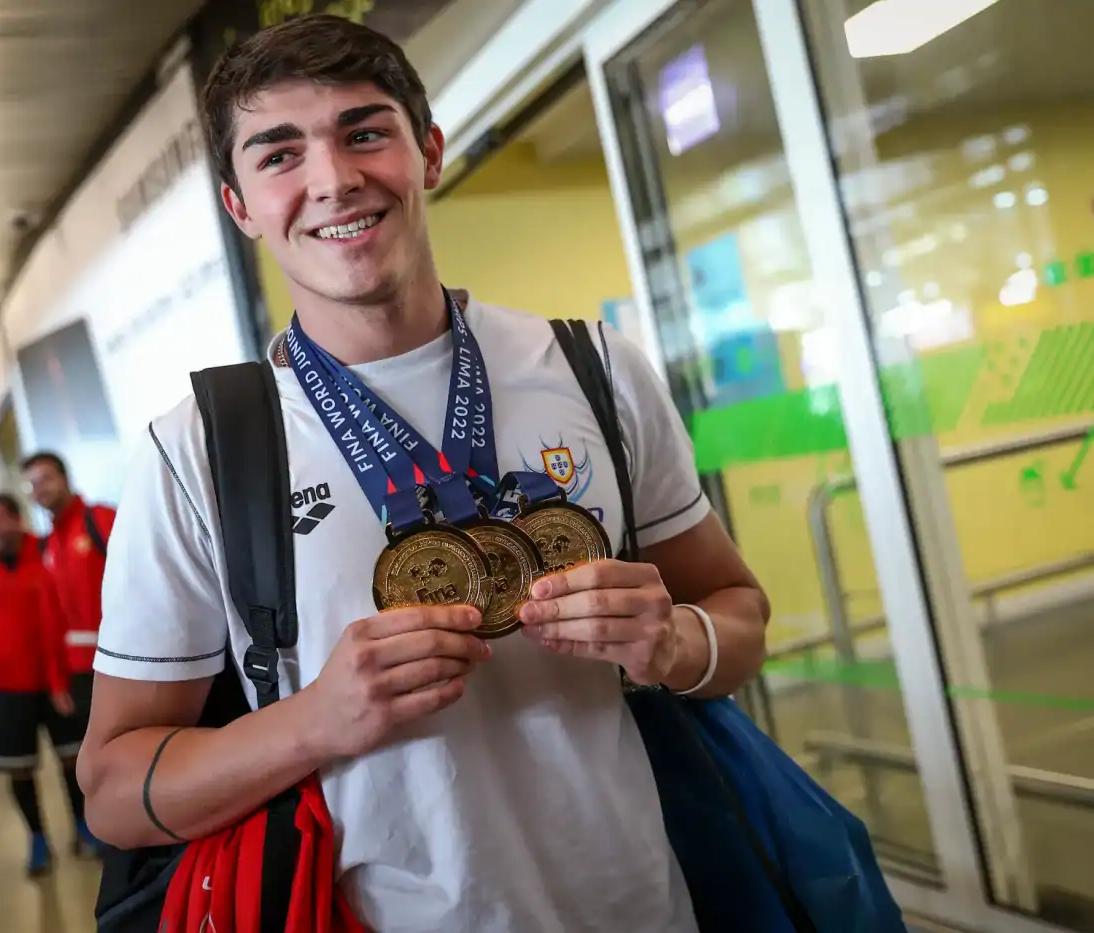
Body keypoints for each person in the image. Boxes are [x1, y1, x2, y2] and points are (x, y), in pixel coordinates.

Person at [78, 15, 770, 932]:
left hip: (645, 907)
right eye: (279, 155)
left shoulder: (593, 367)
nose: (333, 179)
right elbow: (113, 785)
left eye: (364, 132)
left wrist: (674, 642)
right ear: (239, 206)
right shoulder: (201, 451)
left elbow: (740, 614)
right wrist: (315, 719)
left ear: (429, 151)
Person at [0, 493, 100, 876]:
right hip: (10, 686)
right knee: (19, 768)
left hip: (57, 678)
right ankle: (37, 838)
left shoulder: (44, 551)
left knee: (72, 758)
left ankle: (83, 827)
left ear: (16, 519)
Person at [22, 451, 115, 809]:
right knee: (96, 759)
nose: (40, 488)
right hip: (81, 673)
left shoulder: (99, 520)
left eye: (46, 478)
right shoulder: (48, 545)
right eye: (32, 484)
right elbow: (51, 619)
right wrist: (57, 681)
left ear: (64, 477)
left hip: (126, 661)